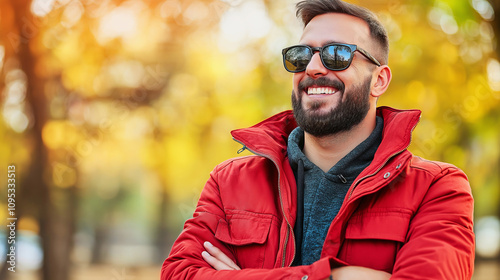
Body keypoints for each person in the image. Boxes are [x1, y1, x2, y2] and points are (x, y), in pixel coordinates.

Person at [161, 0, 475, 279]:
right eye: (301, 56)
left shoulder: (438, 189)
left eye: (336, 54)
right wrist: (332, 277)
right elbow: (179, 273)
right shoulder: (228, 182)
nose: (312, 68)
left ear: (378, 80)